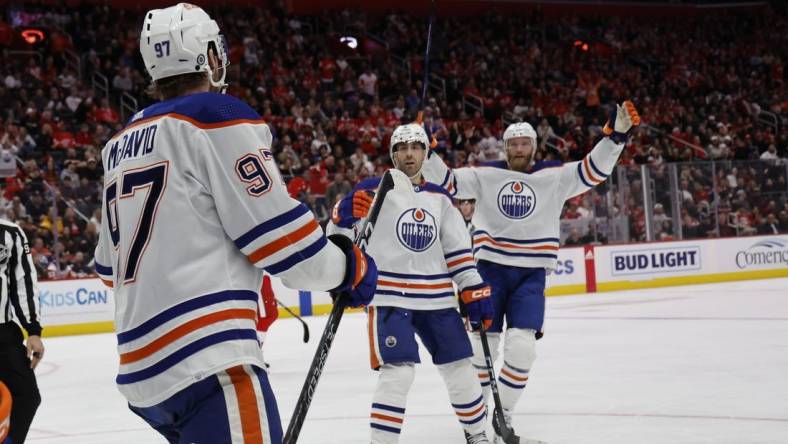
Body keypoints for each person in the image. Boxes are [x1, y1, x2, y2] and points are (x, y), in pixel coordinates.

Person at [93, 4, 378, 443]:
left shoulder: (118, 143)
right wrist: (347, 265)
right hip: (208, 360)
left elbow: (107, 269)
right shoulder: (214, 116)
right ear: (207, 55)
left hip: (141, 370)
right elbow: (288, 249)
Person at [423, 101, 640, 441]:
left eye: (525, 144)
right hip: (488, 271)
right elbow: (447, 182)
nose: (519, 149)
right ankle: (476, 421)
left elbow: (593, 171)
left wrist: (616, 138)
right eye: (513, 144)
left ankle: (502, 415)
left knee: (523, 347)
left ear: (534, 148)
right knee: (482, 348)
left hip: (531, 274)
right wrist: (427, 152)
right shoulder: (485, 174)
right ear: (505, 148)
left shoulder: (554, 177)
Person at [328, 123, 494, 444]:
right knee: (398, 373)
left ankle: (477, 436)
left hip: (437, 299)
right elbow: (338, 243)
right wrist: (340, 218)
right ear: (393, 154)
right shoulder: (371, 190)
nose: (408, 153)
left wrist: (471, 287)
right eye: (401, 148)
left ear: (425, 152)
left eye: (415, 147)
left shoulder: (440, 198)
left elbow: (458, 252)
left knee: (460, 368)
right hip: (389, 298)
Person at [0, 218, 44, 444]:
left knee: (27, 396)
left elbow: (23, 282)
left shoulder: (10, 232)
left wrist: (33, 330)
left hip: (3, 335)